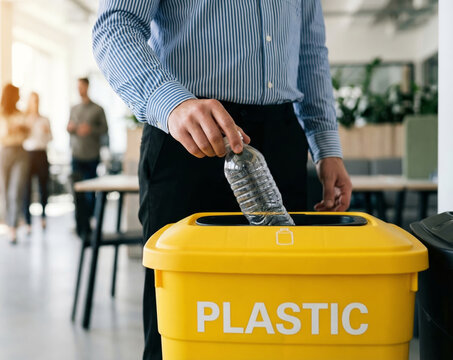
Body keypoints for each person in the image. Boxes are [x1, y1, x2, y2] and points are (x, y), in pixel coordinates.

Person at [92, 2, 353, 359]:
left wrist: (326, 147)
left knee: (279, 319)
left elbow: (310, 52)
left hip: (282, 143)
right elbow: (115, 24)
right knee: (185, 327)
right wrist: (171, 102)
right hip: (191, 135)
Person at [67, 77, 108, 237]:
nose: (80, 90)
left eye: (82, 87)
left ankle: (90, 221)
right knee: (76, 192)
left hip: (91, 155)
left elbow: (104, 129)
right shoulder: (73, 108)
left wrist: (90, 129)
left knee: (91, 192)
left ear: (87, 87)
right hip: (76, 154)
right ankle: (80, 224)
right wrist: (71, 128)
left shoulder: (98, 109)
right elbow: (69, 127)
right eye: (77, 87)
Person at [0, 83, 29, 244]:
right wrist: (7, 130)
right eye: (17, 94)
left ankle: (14, 227)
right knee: (5, 189)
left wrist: (21, 129)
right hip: (5, 152)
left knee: (16, 190)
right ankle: (9, 224)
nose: (20, 97)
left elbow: (28, 132)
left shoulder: (22, 114)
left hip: (20, 152)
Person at [22, 92, 52, 230]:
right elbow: (21, 139)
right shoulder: (24, 119)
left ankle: (43, 217)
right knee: (27, 188)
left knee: (43, 187)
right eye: (33, 101)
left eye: (37, 100)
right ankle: (28, 222)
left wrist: (46, 132)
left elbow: (50, 138)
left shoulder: (45, 119)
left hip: (41, 154)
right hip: (28, 155)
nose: (35, 103)